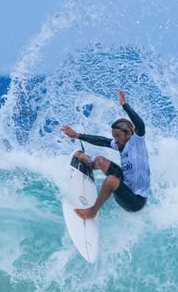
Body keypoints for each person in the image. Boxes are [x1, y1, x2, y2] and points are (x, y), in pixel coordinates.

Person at [60, 89, 150, 220]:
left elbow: (140, 125)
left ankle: (92, 211)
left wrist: (124, 105)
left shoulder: (137, 142)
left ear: (128, 134)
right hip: (125, 184)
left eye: (118, 136)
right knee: (99, 160)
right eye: (114, 136)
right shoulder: (121, 144)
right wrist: (77, 135)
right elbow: (102, 141)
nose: (115, 139)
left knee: (110, 181)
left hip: (135, 201)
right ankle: (90, 165)